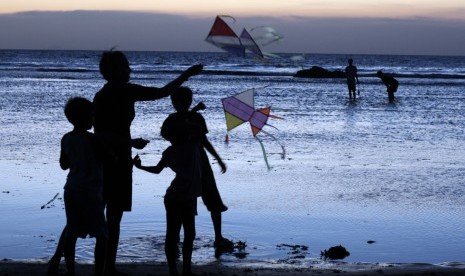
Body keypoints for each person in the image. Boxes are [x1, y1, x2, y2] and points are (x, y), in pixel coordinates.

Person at [160, 87, 233, 254]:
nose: (181, 104)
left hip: (199, 160)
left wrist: (219, 159)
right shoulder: (174, 120)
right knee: (185, 197)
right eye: (178, 101)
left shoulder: (195, 118)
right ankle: (181, 236)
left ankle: (217, 236)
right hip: (186, 160)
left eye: (184, 101)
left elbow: (204, 141)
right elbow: (168, 135)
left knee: (212, 198)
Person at [133, 142, 202, 276]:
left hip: (182, 196)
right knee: (183, 234)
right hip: (181, 197)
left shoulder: (174, 150)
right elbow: (158, 169)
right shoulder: (192, 147)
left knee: (182, 234)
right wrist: (140, 167)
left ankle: (178, 270)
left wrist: (140, 167)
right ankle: (179, 270)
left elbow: (157, 169)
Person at [58, 97, 107, 276]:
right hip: (91, 192)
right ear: (86, 117)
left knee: (72, 231)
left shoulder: (66, 138)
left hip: (71, 189)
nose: (93, 119)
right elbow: (106, 159)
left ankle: (71, 271)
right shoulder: (94, 139)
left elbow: (64, 165)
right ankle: (98, 273)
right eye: (91, 116)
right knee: (101, 234)